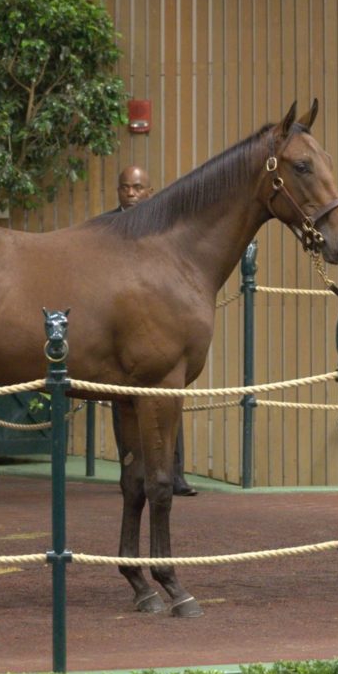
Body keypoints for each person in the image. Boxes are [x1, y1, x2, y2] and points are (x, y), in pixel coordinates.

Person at [108, 164, 198, 496]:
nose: (130, 193)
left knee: (168, 398)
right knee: (125, 404)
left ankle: (174, 474)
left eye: (137, 187)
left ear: (150, 191)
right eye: (124, 188)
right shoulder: (107, 228)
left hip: (160, 322)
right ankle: (132, 470)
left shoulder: (164, 229)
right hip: (121, 325)